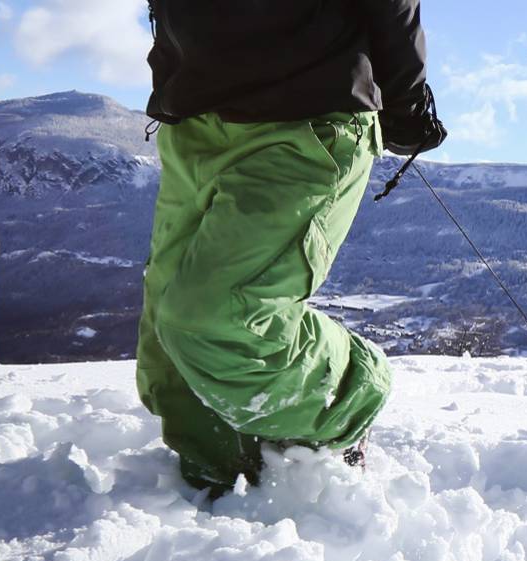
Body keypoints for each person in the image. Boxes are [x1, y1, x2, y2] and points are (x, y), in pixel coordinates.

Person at [136, 0, 447, 496]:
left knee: (214, 321)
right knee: (168, 358)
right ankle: (215, 499)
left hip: (306, 115)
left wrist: (405, 101)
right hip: (192, 115)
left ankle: (353, 392)